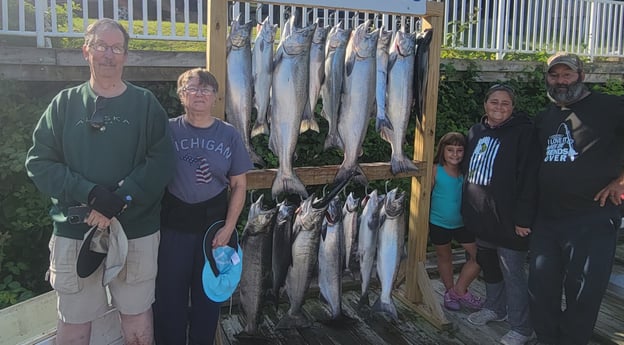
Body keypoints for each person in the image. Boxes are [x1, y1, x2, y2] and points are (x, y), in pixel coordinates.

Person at [25, 18, 175, 345]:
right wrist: (90, 194)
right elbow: (39, 162)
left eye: (117, 48)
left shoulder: (145, 104)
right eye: (101, 46)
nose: (109, 54)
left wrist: (122, 198)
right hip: (76, 231)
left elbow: (162, 160)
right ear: (86, 51)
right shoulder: (63, 104)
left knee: (136, 321)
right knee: (74, 325)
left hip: (135, 230)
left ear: (125, 55)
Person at [528, 52, 624, 345]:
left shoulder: (610, 106)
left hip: (592, 216)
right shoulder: (545, 116)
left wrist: (621, 180)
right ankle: (547, 339)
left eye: (566, 74)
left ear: (581, 75)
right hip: (548, 218)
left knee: (583, 290)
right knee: (541, 286)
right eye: (554, 75)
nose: (560, 81)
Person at [153, 68, 253, 345]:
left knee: (209, 299)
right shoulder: (166, 130)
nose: (199, 94)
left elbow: (240, 186)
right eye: (191, 89)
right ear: (181, 95)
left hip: (214, 232)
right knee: (168, 300)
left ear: (215, 96)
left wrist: (230, 226)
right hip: (173, 230)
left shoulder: (229, 134)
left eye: (205, 89)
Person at [462, 84, 537, 345]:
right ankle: (495, 308)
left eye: (505, 103)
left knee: (512, 272)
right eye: (494, 102)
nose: (499, 107)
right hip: (481, 218)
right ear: (485, 105)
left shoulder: (524, 133)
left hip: (509, 221)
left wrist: (523, 218)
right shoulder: (475, 131)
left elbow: (529, 178)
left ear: (513, 107)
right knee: (490, 266)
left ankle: (521, 327)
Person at [429, 132, 483, 311]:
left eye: (459, 150)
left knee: (479, 257)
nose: (455, 154)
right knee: (445, 257)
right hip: (438, 223)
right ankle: (448, 291)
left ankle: (459, 290)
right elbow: (423, 197)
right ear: (442, 151)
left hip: (462, 223)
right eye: (450, 150)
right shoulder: (435, 170)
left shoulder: (467, 171)